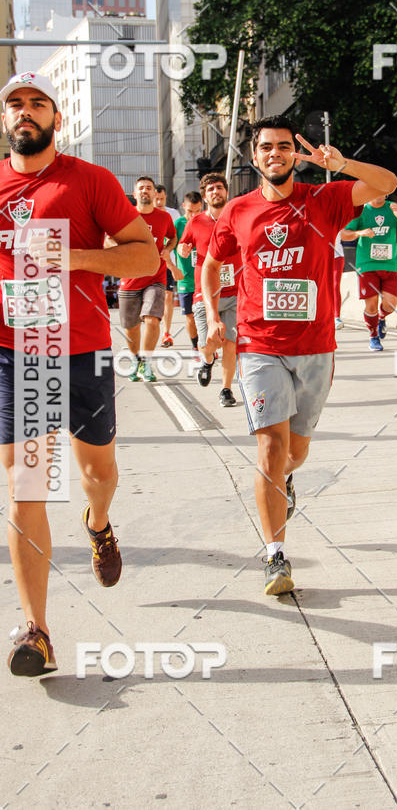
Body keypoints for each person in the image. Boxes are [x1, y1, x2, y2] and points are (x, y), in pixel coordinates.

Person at [0, 71, 158, 675]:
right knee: (27, 486)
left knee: (98, 473)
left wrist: (74, 257)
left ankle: (98, 525)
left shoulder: (89, 181)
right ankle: (36, 630)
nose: (26, 113)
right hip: (22, 354)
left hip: (83, 349)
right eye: (15, 104)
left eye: (38, 103)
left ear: (56, 120)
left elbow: (144, 255)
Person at [202, 115, 397, 595]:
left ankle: (285, 480)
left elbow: (388, 184)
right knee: (270, 449)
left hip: (315, 347)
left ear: (296, 153)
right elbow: (211, 264)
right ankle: (275, 555)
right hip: (258, 344)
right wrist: (211, 317)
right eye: (266, 147)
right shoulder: (238, 211)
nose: (275, 154)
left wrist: (343, 163)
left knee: (296, 452)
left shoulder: (324, 199)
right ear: (254, 157)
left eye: (284, 147)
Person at [178, 173, 239, 407]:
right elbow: (184, 245)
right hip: (204, 293)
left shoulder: (237, 218)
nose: (216, 191)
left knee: (231, 343)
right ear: (205, 196)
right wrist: (183, 249)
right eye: (211, 189)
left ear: (226, 192)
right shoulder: (196, 223)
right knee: (207, 344)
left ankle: (226, 389)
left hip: (234, 292)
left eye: (220, 188)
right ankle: (206, 361)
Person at [118, 176, 177, 383]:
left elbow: (173, 237)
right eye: (141, 188)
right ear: (134, 194)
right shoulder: (125, 217)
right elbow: (110, 238)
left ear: (154, 194)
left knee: (152, 319)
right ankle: (136, 361)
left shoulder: (164, 218)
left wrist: (167, 250)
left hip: (156, 277)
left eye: (149, 188)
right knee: (131, 327)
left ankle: (147, 363)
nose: (145, 191)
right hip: (130, 278)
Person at [341, 193, 397, 350]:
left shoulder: (392, 208)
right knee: (371, 305)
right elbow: (344, 234)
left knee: (390, 304)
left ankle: (381, 318)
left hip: (389, 264)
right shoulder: (360, 210)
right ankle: (373, 337)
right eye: (374, 189)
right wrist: (359, 233)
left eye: (382, 190)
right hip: (367, 264)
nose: (379, 193)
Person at [173, 191, 201, 358]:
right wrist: (174, 266)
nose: (193, 215)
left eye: (197, 211)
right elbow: (168, 246)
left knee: (206, 313)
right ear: (184, 207)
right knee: (190, 316)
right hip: (186, 279)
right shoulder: (178, 224)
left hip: (204, 278)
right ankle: (195, 346)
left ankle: (206, 343)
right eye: (190, 211)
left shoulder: (206, 221)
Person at [154, 184, 183, 348]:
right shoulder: (146, 213)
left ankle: (166, 332)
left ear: (166, 197)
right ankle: (153, 329)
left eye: (162, 199)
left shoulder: (173, 214)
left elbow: (177, 238)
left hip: (169, 262)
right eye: (156, 199)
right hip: (149, 263)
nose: (158, 202)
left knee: (168, 296)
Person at [333, 230, 345, 329]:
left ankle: (336, 317)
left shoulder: (338, 216)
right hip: (321, 255)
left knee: (335, 286)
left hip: (337, 255)